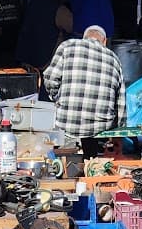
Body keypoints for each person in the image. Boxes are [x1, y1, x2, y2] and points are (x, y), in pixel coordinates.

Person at [43, 26, 127, 156]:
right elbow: (121, 103)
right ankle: (91, 161)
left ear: (84, 38)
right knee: (92, 140)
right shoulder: (114, 59)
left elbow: (50, 78)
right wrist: (119, 131)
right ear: (104, 41)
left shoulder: (67, 46)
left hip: (67, 122)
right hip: (100, 128)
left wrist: (58, 100)